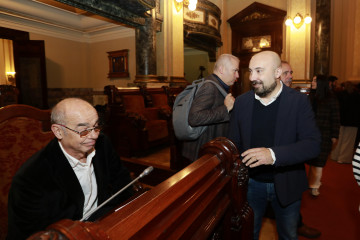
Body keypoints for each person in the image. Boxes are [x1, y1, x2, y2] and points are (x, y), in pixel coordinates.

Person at [7, 98, 134, 239]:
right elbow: (31, 234)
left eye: (96, 126)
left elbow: (122, 182)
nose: (94, 135)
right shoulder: (31, 177)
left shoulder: (103, 143)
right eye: (84, 130)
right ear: (58, 131)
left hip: (103, 223)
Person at [229, 51, 321, 240]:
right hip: (251, 184)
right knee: (248, 233)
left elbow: (312, 145)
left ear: (278, 72)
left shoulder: (298, 102)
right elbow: (234, 143)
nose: (252, 78)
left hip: (287, 183)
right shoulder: (241, 102)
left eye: (259, 71)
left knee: (288, 234)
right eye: (251, 71)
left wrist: (273, 154)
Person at [279, 62, 322, 238]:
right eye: (286, 73)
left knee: (290, 204)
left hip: (291, 162)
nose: (290, 76)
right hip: (267, 167)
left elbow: (309, 139)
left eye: (291, 72)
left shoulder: (298, 99)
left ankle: (297, 224)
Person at [182, 53, 239, 161]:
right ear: (222, 69)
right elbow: (194, 117)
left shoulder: (218, 85)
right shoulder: (209, 86)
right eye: (235, 70)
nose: (237, 75)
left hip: (210, 149)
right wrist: (225, 108)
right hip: (202, 151)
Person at [308, 75, 340, 197]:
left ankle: (314, 186)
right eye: (312, 80)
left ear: (322, 83)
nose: (312, 82)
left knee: (319, 162)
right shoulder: (311, 97)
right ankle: (313, 182)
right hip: (310, 134)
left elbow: (336, 119)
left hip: (324, 135)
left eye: (315, 81)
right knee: (312, 161)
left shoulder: (331, 99)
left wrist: (334, 135)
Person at [331, 81, 360, 163]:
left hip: (341, 120)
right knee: (348, 141)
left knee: (339, 139)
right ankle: (343, 158)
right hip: (352, 121)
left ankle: (335, 156)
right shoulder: (356, 95)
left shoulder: (339, 94)